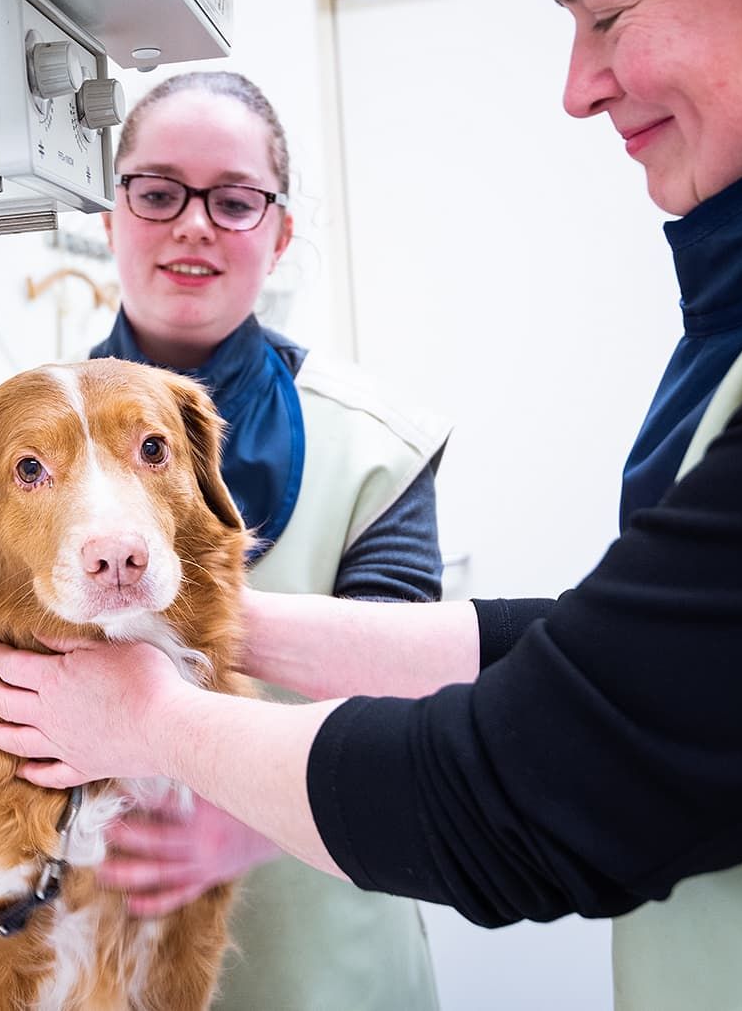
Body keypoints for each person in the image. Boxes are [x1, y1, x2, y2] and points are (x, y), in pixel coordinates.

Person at [0, 0, 742, 1008]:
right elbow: (606, 656)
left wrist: (160, 724)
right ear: (110, 216)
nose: (576, 85)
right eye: (155, 193)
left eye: (608, 10)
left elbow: (525, 782)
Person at [84, 70, 450, 1009]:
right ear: (112, 212)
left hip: (324, 951)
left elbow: (406, 715)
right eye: (159, 192)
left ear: (280, 232)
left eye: (234, 201)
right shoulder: (18, 449)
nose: (193, 224)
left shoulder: (374, 446)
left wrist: (258, 824)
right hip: (97, 956)